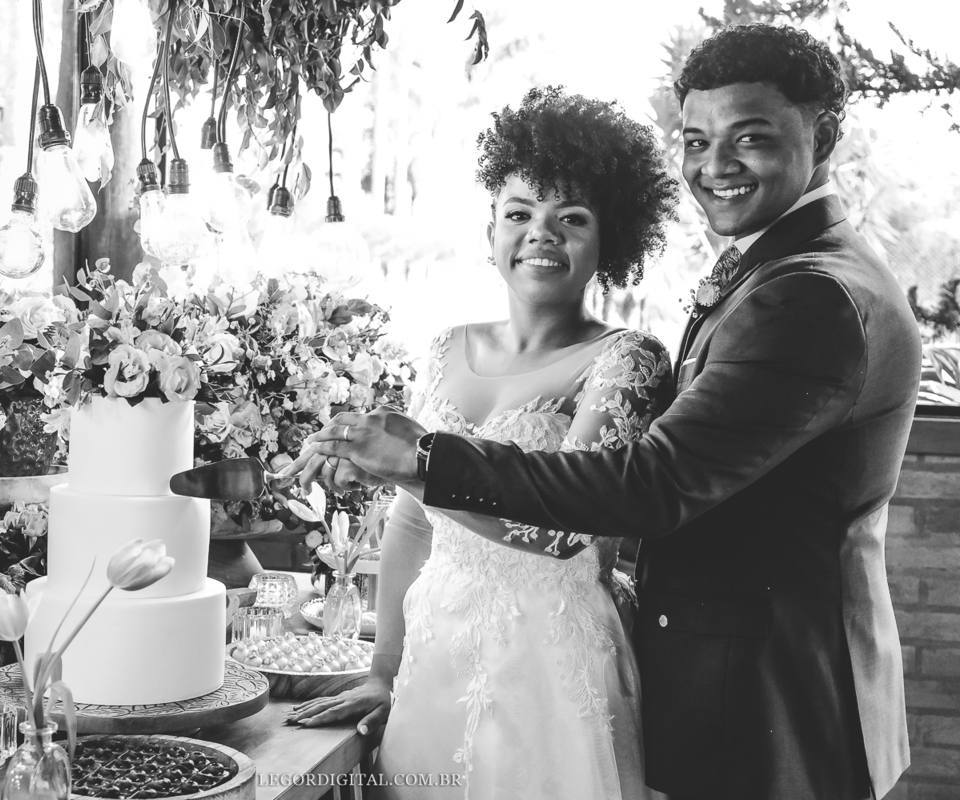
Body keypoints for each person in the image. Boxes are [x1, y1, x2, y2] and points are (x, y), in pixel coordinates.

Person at [287, 24, 919, 800]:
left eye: (750, 137)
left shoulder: (808, 295)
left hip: (760, 682)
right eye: (696, 140)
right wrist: (386, 660)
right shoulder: (784, 271)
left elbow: (648, 484)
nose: (715, 165)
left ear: (822, 135)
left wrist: (423, 461)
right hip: (512, 658)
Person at [287, 86, 679, 799]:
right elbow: (412, 523)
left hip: (551, 667)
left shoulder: (627, 360)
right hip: (434, 653)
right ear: (491, 230)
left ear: (612, 239)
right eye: (519, 213)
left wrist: (410, 467)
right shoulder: (445, 349)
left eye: (572, 218)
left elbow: (566, 529)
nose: (541, 234)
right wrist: (384, 670)